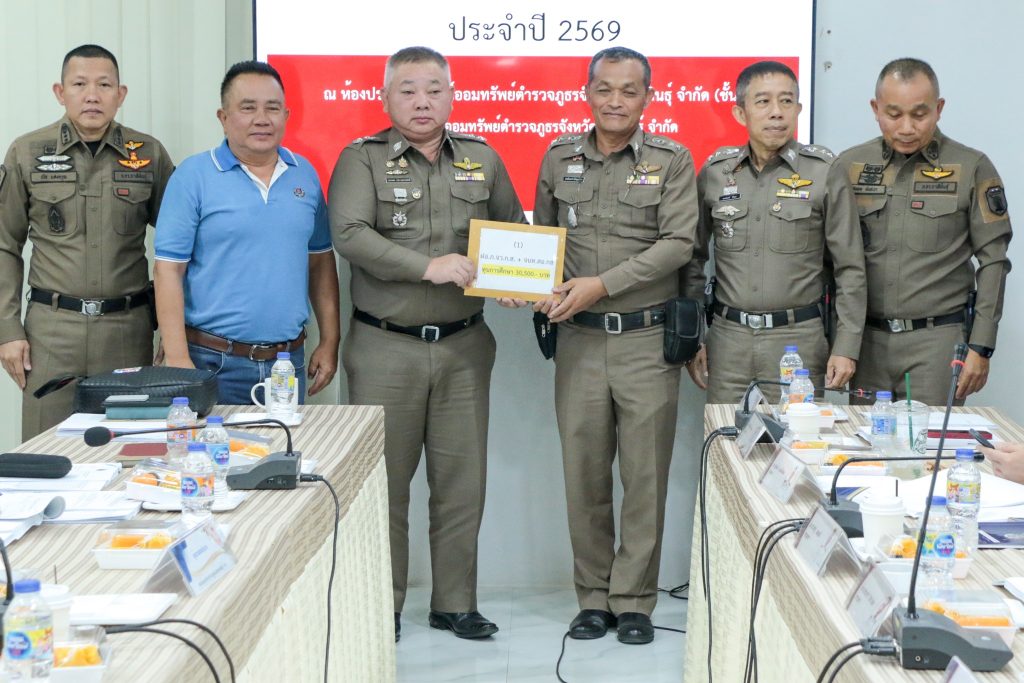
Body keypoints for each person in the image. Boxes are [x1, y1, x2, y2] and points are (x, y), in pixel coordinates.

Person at [328, 46, 526, 641]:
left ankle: (455, 603)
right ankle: (382, 604)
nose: (422, 101)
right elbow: (349, 234)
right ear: (386, 98)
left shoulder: (482, 159)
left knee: (461, 483)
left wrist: (516, 280)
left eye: (434, 89)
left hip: (465, 346)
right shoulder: (362, 159)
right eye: (408, 90)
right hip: (385, 347)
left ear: (452, 95)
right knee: (383, 485)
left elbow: (513, 230)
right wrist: (426, 267)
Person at [530, 47, 697, 644]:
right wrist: (527, 282)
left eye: (629, 90)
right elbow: (544, 240)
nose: (616, 101)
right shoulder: (558, 157)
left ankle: (634, 601)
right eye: (604, 89)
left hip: (646, 341)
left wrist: (602, 284)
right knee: (584, 477)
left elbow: (678, 244)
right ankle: (593, 599)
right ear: (587, 93)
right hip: (579, 341)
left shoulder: (671, 160)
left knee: (644, 478)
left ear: (647, 97)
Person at [0, 44, 173, 440]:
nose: (92, 95)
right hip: (51, 333)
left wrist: (172, 328)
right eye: (79, 84)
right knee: (48, 449)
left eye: (104, 85)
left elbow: (178, 250)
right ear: (60, 92)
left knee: (128, 447)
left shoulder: (148, 154)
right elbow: (5, 245)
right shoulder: (27, 152)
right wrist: (7, 329)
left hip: (126, 331)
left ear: (121, 94)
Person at [681, 61, 866, 405]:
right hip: (728, 340)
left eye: (786, 101)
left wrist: (846, 346)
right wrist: (694, 339)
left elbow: (850, 267)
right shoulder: (717, 172)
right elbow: (692, 259)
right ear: (740, 113)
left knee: (797, 437)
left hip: (798, 340)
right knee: (727, 435)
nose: (776, 112)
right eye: (763, 101)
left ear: (798, 109)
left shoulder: (824, 171)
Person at [154, 61, 339, 402]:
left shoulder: (305, 175)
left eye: (272, 108)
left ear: (286, 115)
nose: (262, 119)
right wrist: (178, 359)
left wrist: (330, 340)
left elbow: (321, 263)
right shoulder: (192, 176)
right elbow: (168, 270)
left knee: (288, 441)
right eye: (248, 108)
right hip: (211, 362)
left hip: (287, 364)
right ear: (223, 117)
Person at [837, 58, 1012, 406]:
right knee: (864, 440)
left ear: (939, 108)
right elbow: (833, 258)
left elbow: (994, 262)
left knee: (930, 441)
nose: (906, 127)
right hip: (867, 344)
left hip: (937, 345)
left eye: (919, 115)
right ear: (875, 109)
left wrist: (981, 346)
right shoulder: (848, 166)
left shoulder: (972, 167)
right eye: (894, 114)